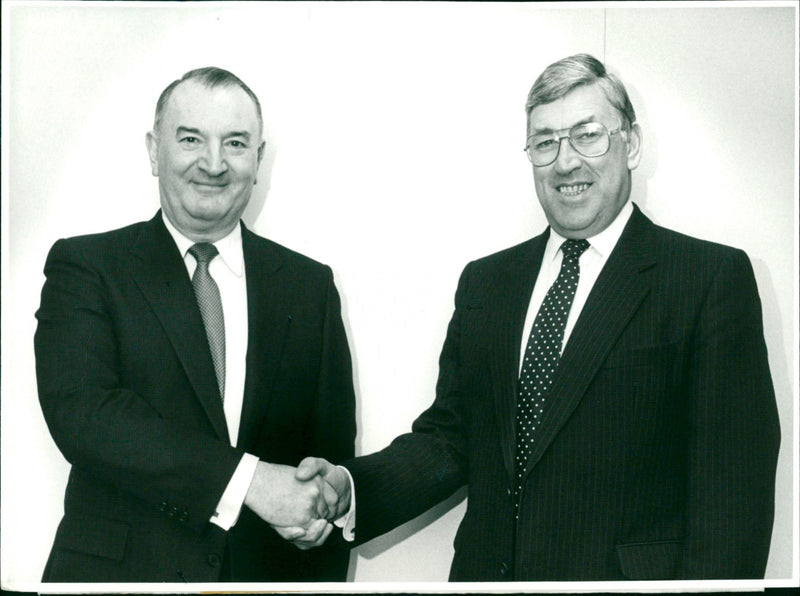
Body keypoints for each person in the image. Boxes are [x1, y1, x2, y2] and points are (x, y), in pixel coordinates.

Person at [297, 53, 781, 581]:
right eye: (545, 142)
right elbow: (452, 437)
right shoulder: (487, 282)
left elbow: (734, 501)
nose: (566, 162)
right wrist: (352, 487)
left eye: (587, 134)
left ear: (632, 144)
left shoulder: (707, 279)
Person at [34, 67, 356, 582]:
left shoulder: (309, 286)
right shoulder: (87, 266)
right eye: (190, 139)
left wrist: (324, 504)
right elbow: (85, 416)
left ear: (258, 158)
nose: (213, 163)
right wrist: (248, 482)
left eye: (235, 142)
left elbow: (328, 459)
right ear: (152, 150)